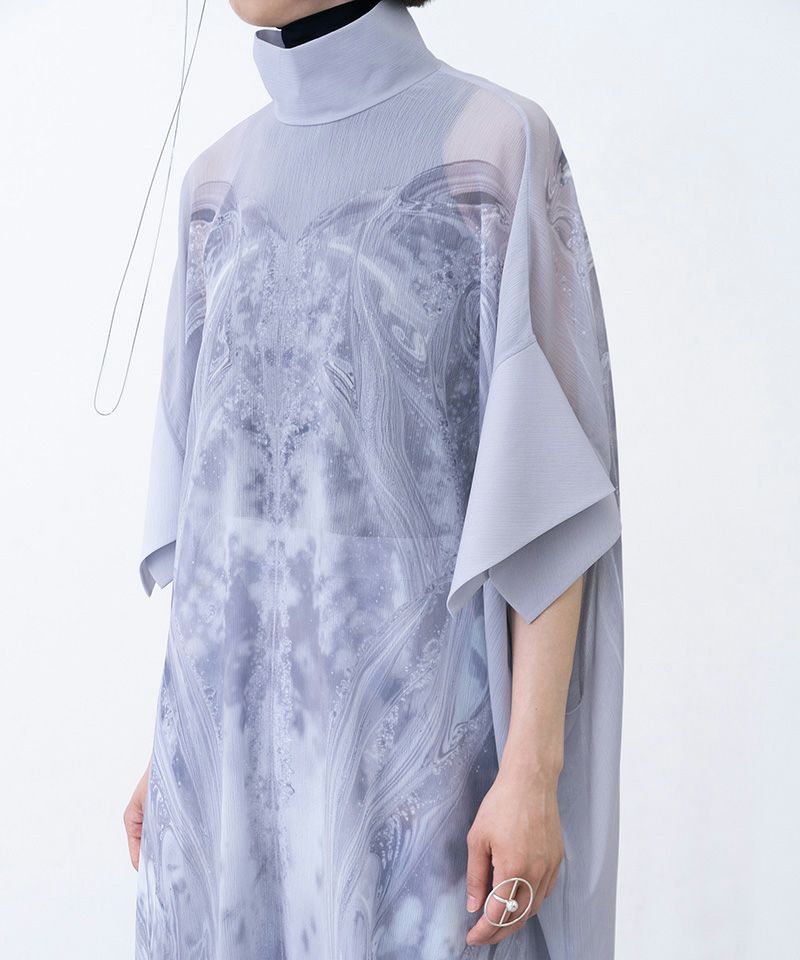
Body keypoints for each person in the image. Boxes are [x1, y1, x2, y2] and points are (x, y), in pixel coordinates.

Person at [123, 1, 624, 957]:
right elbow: (216, 513)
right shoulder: (215, 185)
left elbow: (551, 500)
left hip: (415, 767)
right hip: (232, 779)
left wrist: (532, 770)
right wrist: (181, 750)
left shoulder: (491, 148)